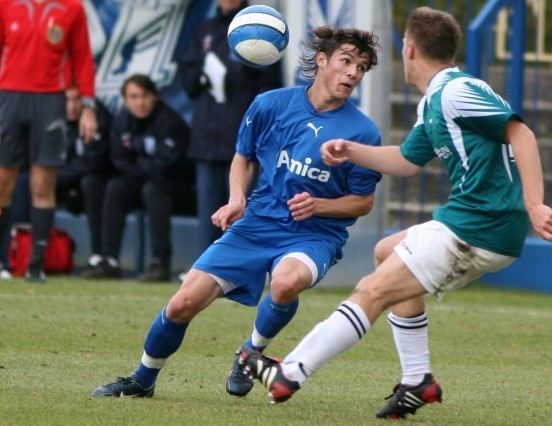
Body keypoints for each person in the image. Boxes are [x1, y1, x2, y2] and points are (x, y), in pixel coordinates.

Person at [240, 6, 552, 419]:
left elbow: (521, 133)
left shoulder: (456, 92)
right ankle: (417, 380)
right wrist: (351, 150)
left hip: (479, 224)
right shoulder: (436, 100)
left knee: (371, 292)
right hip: (472, 219)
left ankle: (291, 373)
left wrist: (534, 204)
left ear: (409, 49)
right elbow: (408, 161)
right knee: (388, 251)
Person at [91, 26, 382, 398]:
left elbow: (363, 202)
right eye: (347, 61)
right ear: (322, 60)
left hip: (314, 233)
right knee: (182, 303)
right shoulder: (270, 104)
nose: (353, 73)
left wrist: (320, 205)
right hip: (258, 222)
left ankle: (250, 352)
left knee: (285, 282)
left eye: (361, 67)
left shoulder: (363, 132)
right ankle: (142, 379)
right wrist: (236, 199)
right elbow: (243, 157)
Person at [0, 0, 97, 282]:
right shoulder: (6, 4)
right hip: (8, 98)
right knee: (3, 182)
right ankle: (2, 260)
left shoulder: (72, 8)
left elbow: (82, 58)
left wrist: (88, 107)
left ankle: (36, 264)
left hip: (51, 101)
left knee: (42, 183)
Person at [180, 0, 283, 255]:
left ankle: (242, 264)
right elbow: (189, 83)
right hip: (206, 138)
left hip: (242, 140)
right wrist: (204, 74)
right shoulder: (204, 29)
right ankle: (207, 266)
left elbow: (270, 87)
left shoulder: (259, 28)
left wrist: (255, 126)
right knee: (210, 214)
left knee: (242, 210)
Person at [81, 74, 194, 282]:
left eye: (144, 96)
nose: (139, 102)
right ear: (125, 100)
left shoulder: (170, 122)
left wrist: (136, 151)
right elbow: (120, 161)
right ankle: (109, 260)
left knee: (153, 190)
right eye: (133, 97)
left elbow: (165, 166)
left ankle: (160, 262)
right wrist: (143, 160)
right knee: (116, 187)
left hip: (179, 185)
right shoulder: (122, 121)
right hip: (142, 179)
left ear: (155, 96)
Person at [57, 86, 114, 268]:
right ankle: (23, 248)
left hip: (96, 182)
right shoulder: (52, 119)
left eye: (77, 100)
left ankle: (100, 255)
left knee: (91, 183)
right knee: (27, 181)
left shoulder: (100, 119)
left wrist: (58, 177)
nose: (72, 106)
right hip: (65, 183)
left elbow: (95, 162)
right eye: (67, 100)